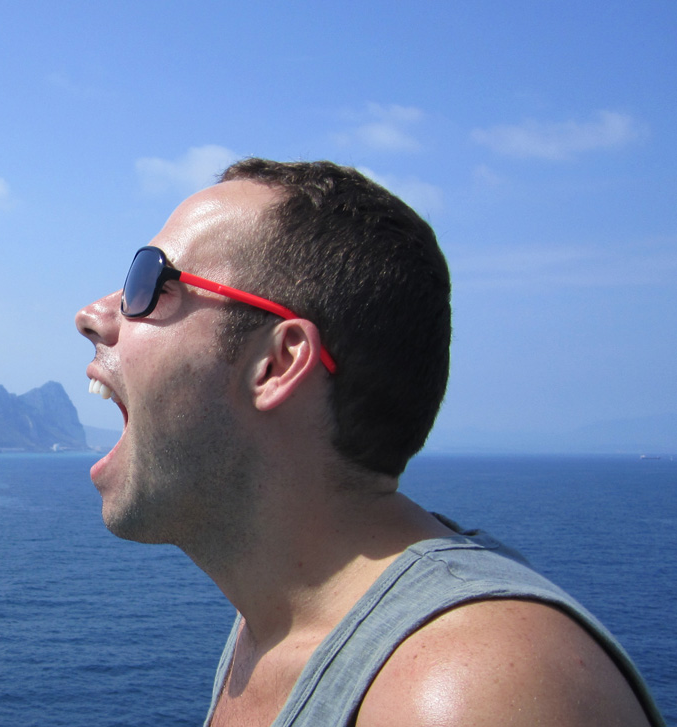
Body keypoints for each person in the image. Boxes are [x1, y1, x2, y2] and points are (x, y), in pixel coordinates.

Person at [74, 158, 665, 726]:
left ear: (276, 364)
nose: (92, 315)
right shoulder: (276, 622)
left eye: (149, 281)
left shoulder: (462, 688)